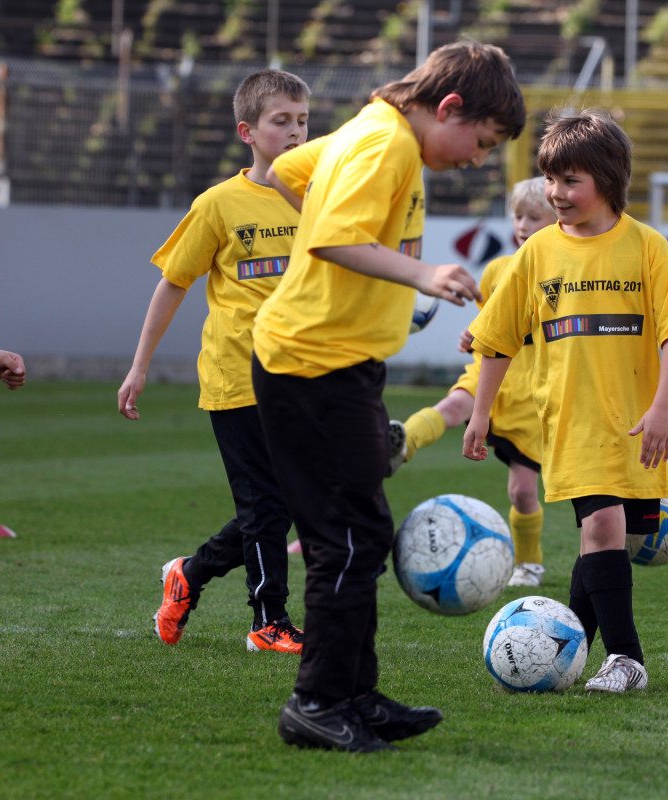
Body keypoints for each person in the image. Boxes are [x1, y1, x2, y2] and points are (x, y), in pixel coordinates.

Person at [252, 41, 526, 752]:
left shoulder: (373, 128)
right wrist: (422, 274)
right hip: (312, 364)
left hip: (341, 363)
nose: (478, 159)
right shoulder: (387, 144)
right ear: (450, 107)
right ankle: (317, 702)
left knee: (362, 532)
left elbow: (285, 172)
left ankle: (353, 694)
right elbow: (331, 240)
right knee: (347, 538)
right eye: (482, 141)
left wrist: (349, 241)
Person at [462, 109, 668, 694]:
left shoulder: (646, 247)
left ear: (609, 179)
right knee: (600, 526)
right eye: (551, 179)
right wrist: (480, 412)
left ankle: (562, 650)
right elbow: (496, 340)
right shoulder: (538, 253)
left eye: (570, 181)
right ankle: (627, 659)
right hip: (572, 421)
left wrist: (663, 409)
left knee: (607, 540)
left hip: (636, 424)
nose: (555, 193)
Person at [117, 69, 311, 654]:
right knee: (265, 503)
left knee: (288, 501)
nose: (296, 132)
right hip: (237, 375)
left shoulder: (318, 199)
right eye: (282, 121)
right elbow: (173, 283)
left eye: (303, 121)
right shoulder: (219, 204)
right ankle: (268, 622)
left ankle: (190, 573)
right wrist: (139, 366)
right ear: (247, 132)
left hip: (299, 377)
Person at [391, 176, 556, 587]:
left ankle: (529, 562)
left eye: (534, 217)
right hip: (488, 373)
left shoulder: (561, 273)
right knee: (452, 406)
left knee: (521, 491)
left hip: (529, 392)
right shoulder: (499, 269)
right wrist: (472, 335)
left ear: (557, 220)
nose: (523, 225)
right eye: (518, 216)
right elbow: (489, 322)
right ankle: (398, 445)